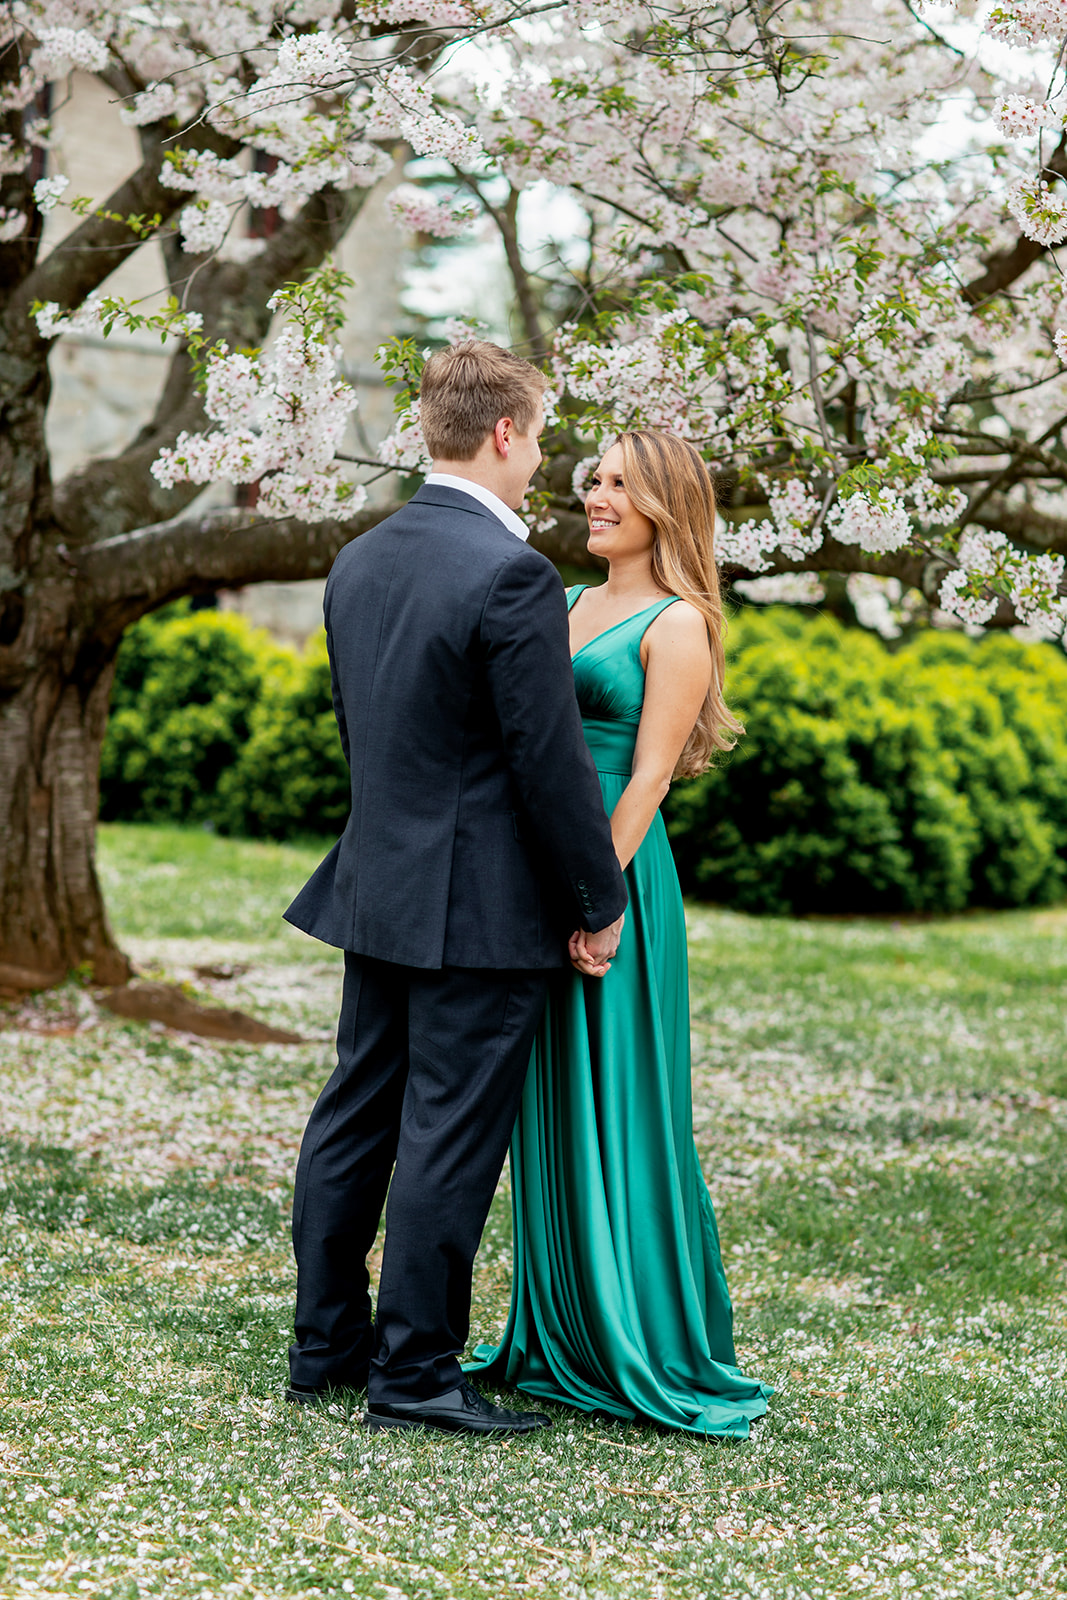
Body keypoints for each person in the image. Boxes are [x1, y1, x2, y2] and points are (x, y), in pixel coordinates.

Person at [282, 341, 628, 1438]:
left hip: (376, 883)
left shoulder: (360, 558)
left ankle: (324, 1349)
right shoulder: (511, 573)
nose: (541, 466)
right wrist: (596, 895)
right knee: (445, 1133)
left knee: (353, 1115)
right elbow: (547, 761)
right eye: (538, 441)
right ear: (504, 434)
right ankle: (417, 1376)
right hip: (480, 903)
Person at [467, 430, 773, 1437]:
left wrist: (595, 902)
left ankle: (635, 1332)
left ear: (662, 505)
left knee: (619, 1098)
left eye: (615, 484)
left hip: (614, 876)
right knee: (549, 1099)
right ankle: (558, 1330)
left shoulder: (677, 622)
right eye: (590, 478)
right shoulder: (558, 602)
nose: (592, 494)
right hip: (538, 864)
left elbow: (646, 772)